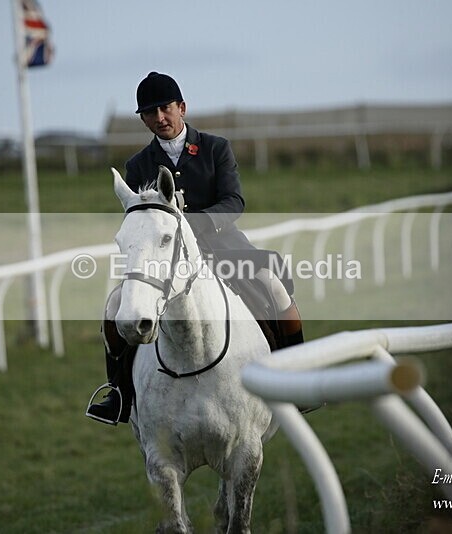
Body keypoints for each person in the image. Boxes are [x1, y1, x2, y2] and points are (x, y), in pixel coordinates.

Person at [85, 72, 303, 425]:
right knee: (115, 306)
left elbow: (234, 201)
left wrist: (194, 225)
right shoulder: (138, 165)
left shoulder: (216, 148)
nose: (159, 118)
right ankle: (120, 393)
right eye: (149, 112)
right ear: (142, 118)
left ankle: (295, 379)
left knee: (275, 291)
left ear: (181, 108)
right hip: (164, 259)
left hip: (223, 248)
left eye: (165, 108)